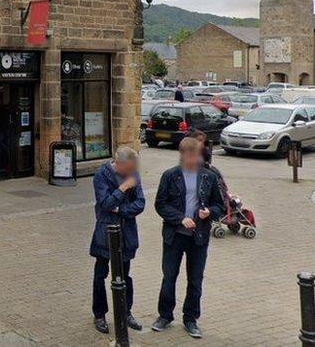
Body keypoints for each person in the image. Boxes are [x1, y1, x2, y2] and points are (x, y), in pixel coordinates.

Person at [151, 137, 226, 338]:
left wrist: (208, 212)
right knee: (169, 277)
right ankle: (165, 315)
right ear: (182, 155)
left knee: (195, 280)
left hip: (198, 237)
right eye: (190, 155)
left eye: (196, 155)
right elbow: (160, 204)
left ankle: (190, 318)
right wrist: (180, 219)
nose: (194, 159)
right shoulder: (170, 176)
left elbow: (220, 206)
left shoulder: (208, 177)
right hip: (174, 236)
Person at [89, 146, 146, 334]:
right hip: (105, 232)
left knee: (125, 276)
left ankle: (126, 312)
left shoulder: (134, 174)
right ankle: (99, 314)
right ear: (119, 163)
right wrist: (122, 188)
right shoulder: (101, 175)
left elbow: (140, 203)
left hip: (127, 233)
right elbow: (105, 204)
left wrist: (121, 210)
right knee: (100, 275)